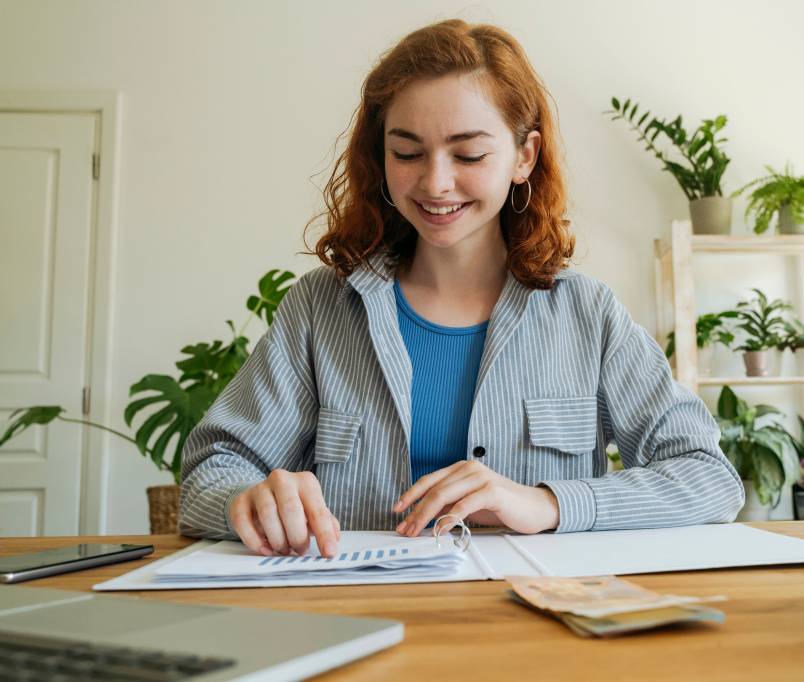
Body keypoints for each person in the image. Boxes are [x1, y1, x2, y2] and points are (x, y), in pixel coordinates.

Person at [179, 19, 744, 558]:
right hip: (359, 621)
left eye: (469, 153)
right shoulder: (318, 309)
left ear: (524, 156)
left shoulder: (588, 314)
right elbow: (213, 467)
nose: (435, 182)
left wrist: (546, 503)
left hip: (535, 635)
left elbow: (708, 477)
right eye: (406, 152)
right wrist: (244, 502)